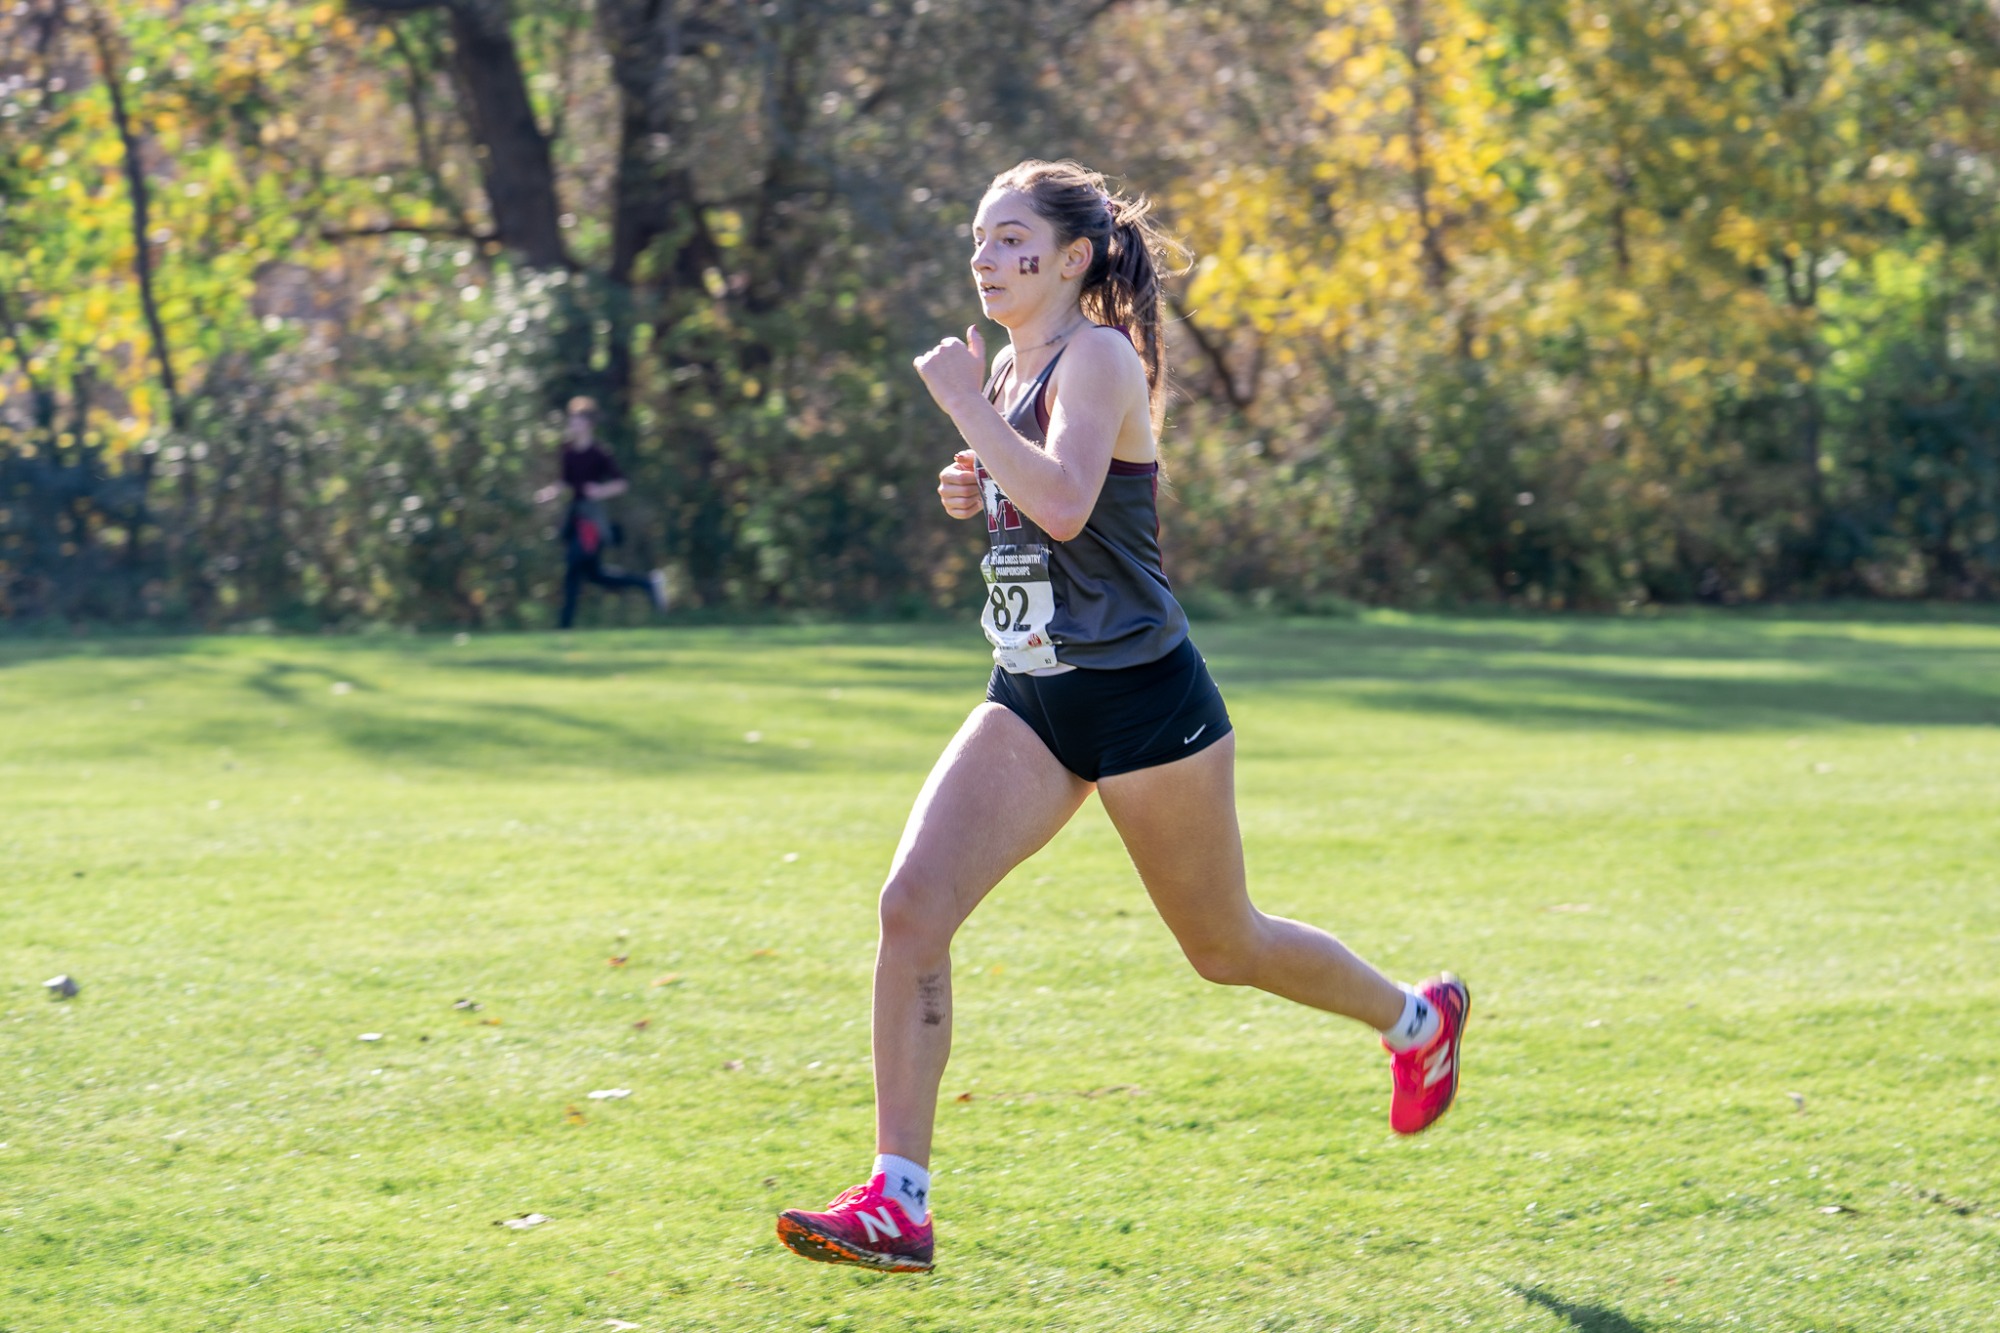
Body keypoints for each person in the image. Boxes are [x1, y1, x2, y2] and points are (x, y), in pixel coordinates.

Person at [774, 160, 1470, 1274]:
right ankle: (898, 1200)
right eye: (979, 239)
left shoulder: (1097, 355)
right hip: (1032, 695)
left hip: (1144, 702)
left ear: (1073, 257)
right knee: (911, 906)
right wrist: (974, 477)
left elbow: (1063, 501)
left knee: (1224, 946)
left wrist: (965, 409)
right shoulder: (1012, 365)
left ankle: (1416, 1021)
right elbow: (1036, 501)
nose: (987, 259)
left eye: (1011, 240)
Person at [534, 396, 668, 629]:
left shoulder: (599, 453)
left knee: (573, 565)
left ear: (588, 424)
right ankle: (648, 583)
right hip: (575, 517)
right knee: (596, 575)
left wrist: (600, 491)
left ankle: (564, 626)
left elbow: (621, 483)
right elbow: (565, 481)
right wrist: (549, 493)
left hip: (591, 520)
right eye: (571, 421)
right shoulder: (568, 451)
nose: (572, 425)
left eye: (576, 421)